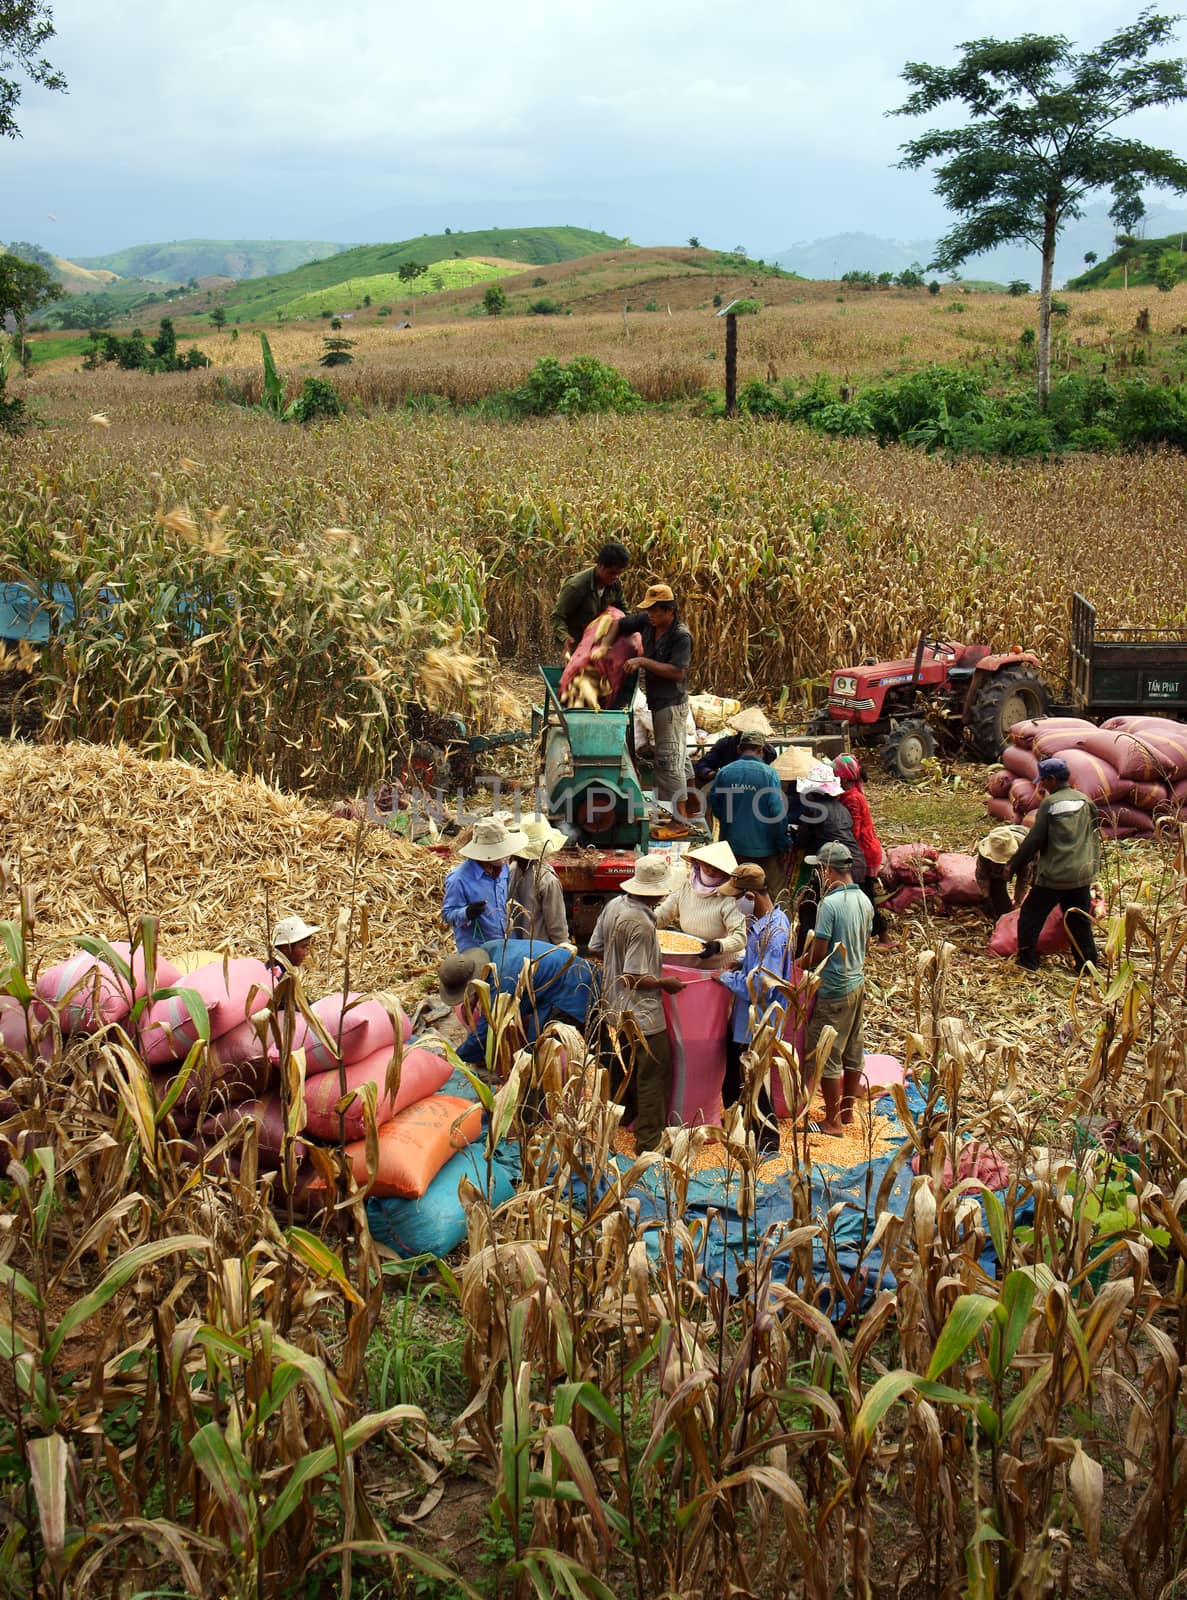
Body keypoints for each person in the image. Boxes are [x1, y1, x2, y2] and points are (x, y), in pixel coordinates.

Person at [588, 853, 685, 1152]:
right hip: (641, 1011)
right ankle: (649, 1140)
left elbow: (595, 948)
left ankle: (625, 1113)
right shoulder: (641, 923)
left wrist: (614, 965)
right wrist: (663, 983)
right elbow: (633, 977)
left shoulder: (615, 904)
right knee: (654, 1071)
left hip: (614, 1005)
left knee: (627, 1063)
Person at [715, 863, 791, 1149]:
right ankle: (743, 1129)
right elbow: (757, 966)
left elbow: (760, 984)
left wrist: (725, 977)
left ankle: (767, 1140)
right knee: (740, 1079)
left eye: (737, 897)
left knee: (750, 1082)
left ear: (751, 896)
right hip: (749, 1019)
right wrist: (743, 962)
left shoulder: (773, 934)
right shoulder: (770, 922)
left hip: (756, 1022)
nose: (735, 903)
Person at [802, 841, 873, 1136]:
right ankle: (846, 1112)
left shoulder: (830, 904)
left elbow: (819, 953)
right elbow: (866, 944)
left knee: (825, 1052)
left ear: (826, 869)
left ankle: (831, 1122)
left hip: (834, 987)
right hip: (857, 983)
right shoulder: (865, 901)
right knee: (853, 1049)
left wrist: (796, 964)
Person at [439, 939, 597, 1067]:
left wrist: (455, 1057)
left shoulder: (501, 982)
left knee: (535, 1053)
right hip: (564, 976)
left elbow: (486, 1034)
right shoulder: (489, 949)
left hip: (573, 987)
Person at [1008, 758, 1100, 972]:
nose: (1041, 785)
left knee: (1030, 916)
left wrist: (1013, 866)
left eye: (1044, 781)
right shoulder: (1085, 801)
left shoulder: (1050, 804)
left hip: (1055, 875)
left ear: (1051, 779)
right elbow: (1094, 833)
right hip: (1081, 874)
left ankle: (1027, 961)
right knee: (1079, 921)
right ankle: (1088, 965)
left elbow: (1034, 841)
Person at [607, 583, 695, 808]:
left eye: (655, 610)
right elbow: (619, 624)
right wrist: (603, 647)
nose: (650, 615)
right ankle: (693, 806)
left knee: (668, 760)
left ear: (670, 610)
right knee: (680, 756)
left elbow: (677, 672)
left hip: (671, 704)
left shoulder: (680, 636)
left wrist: (642, 661)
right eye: (648, 610)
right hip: (657, 701)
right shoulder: (647, 621)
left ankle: (679, 821)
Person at [792, 761, 867, 957]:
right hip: (856, 862)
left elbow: (802, 840)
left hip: (833, 865)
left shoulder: (813, 809)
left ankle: (802, 955)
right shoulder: (841, 807)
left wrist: (794, 835)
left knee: (809, 908)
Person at [708, 734, 788, 898]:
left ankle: (738, 923)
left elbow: (715, 803)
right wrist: (782, 844)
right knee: (775, 895)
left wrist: (728, 821)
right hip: (764, 849)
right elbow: (777, 813)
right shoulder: (769, 774)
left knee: (735, 892)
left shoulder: (725, 772)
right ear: (761, 750)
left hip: (733, 847)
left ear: (739, 749)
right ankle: (776, 923)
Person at [441, 816, 527, 952]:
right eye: (501, 851)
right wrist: (467, 913)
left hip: (507, 945)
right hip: (478, 949)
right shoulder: (459, 879)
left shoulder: (504, 869)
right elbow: (448, 914)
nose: (506, 856)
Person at [655, 840, 747, 966]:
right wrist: (644, 923)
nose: (712, 870)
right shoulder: (686, 886)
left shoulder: (730, 896)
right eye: (707, 865)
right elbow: (664, 914)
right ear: (698, 863)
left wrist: (718, 946)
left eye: (718, 867)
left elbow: (740, 937)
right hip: (693, 960)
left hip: (724, 965)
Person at [832, 754, 892, 946]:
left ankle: (883, 935)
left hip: (864, 853)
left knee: (865, 897)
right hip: (865, 850)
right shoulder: (851, 795)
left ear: (843, 778)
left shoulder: (852, 799)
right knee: (865, 895)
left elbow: (853, 831)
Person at [551, 542, 630, 655]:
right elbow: (557, 616)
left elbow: (623, 609)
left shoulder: (614, 584)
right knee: (577, 671)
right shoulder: (576, 586)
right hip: (575, 641)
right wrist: (565, 638)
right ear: (600, 565)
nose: (615, 577)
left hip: (597, 640)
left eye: (619, 573)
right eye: (612, 572)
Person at [507, 818, 570, 945]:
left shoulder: (512, 869)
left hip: (513, 946)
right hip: (539, 951)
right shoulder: (547, 879)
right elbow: (556, 926)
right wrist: (565, 947)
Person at [693, 707, 778, 786]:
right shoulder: (725, 744)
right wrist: (713, 774)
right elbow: (703, 765)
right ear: (739, 749)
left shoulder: (769, 751)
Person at [975, 824, 1030, 922]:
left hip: (1028, 843)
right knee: (998, 903)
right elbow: (981, 874)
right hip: (1008, 836)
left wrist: (1017, 902)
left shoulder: (1026, 853)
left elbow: (1023, 879)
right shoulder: (988, 849)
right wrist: (986, 897)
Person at [266, 914, 320, 1010]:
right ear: (286, 948)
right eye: (303, 947)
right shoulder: (280, 979)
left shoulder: (275, 969)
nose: (306, 953)